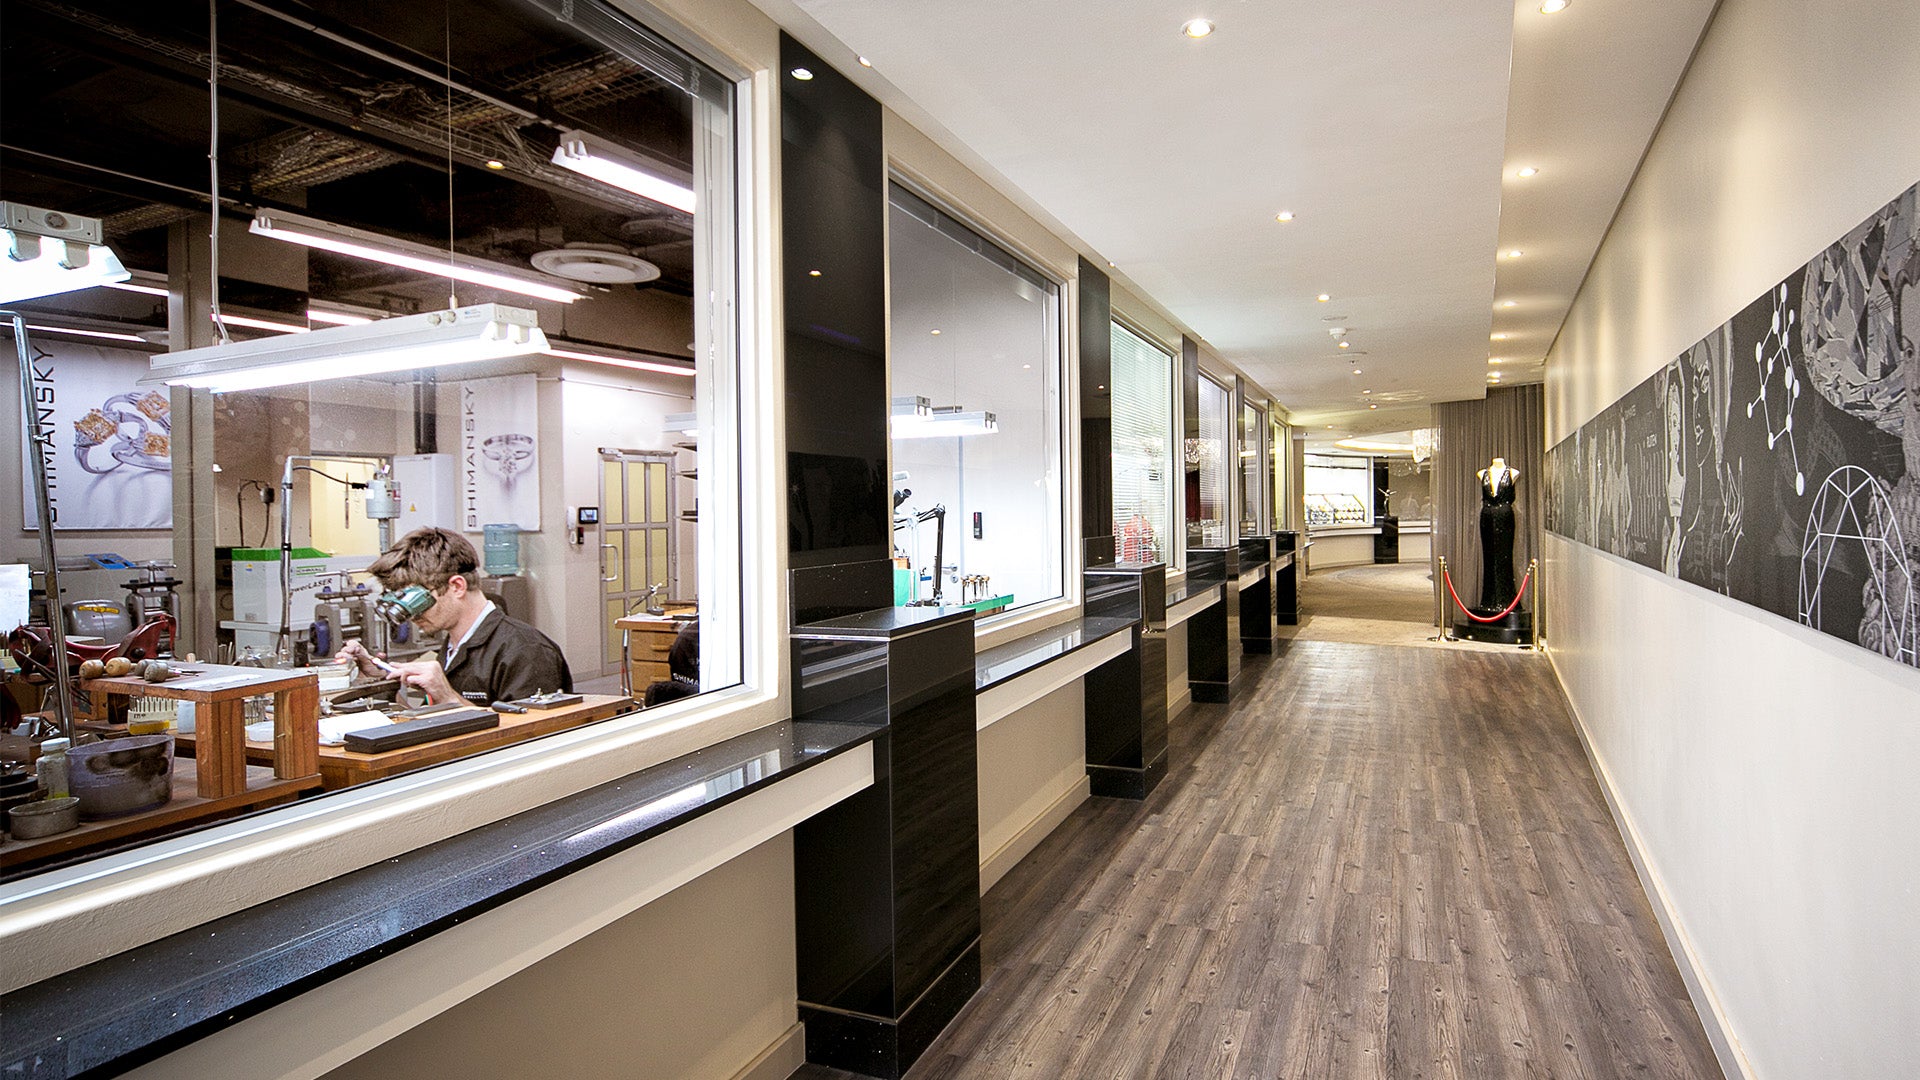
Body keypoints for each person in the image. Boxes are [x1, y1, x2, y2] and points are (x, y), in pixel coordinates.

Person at [337, 527, 571, 705]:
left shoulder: (526, 651)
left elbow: (532, 740)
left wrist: (448, 697)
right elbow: (434, 723)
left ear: (457, 586)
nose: (411, 616)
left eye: (417, 603)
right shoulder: (453, 647)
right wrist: (380, 681)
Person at [1477, 457, 1519, 610]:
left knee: (1505, 556)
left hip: (1505, 516)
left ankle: (1506, 599)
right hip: (1487, 517)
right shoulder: (1482, 473)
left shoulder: (1513, 473)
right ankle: (1489, 599)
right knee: (1488, 557)